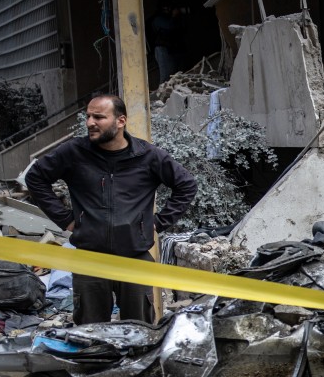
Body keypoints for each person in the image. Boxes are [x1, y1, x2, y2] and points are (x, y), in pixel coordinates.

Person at [25, 94, 197, 324]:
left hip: (135, 259)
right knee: (90, 333)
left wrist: (157, 223)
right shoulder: (74, 152)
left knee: (140, 332)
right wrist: (65, 219)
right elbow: (35, 178)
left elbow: (186, 185)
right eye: (88, 116)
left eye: (99, 117)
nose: (90, 123)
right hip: (90, 260)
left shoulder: (147, 156)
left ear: (120, 121)